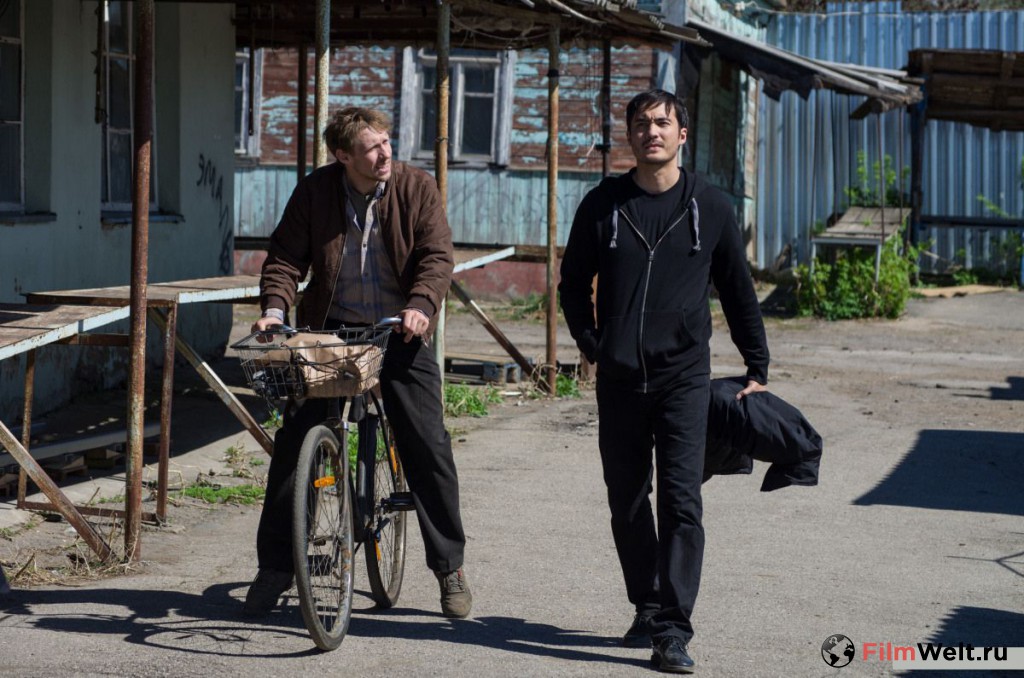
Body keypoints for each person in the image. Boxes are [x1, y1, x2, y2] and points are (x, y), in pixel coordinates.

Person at [558, 89, 769, 674]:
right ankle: (647, 605)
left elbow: (738, 290)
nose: (651, 131)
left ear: (681, 135)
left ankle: (673, 630)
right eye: (641, 123)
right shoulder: (603, 205)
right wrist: (593, 344)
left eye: (662, 123)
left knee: (682, 502)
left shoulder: (712, 206)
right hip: (620, 381)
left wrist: (757, 365)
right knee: (627, 501)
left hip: (684, 379)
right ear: (629, 135)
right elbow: (572, 284)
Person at [244, 106, 471, 619]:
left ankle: (449, 568)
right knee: (296, 442)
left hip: (399, 332)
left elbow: (436, 256)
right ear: (343, 155)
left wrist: (421, 305)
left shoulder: (416, 187)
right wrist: (275, 311)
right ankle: (276, 568)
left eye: (387, 142)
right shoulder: (316, 191)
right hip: (333, 334)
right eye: (372, 147)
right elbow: (285, 258)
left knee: (428, 443)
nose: (385, 154)